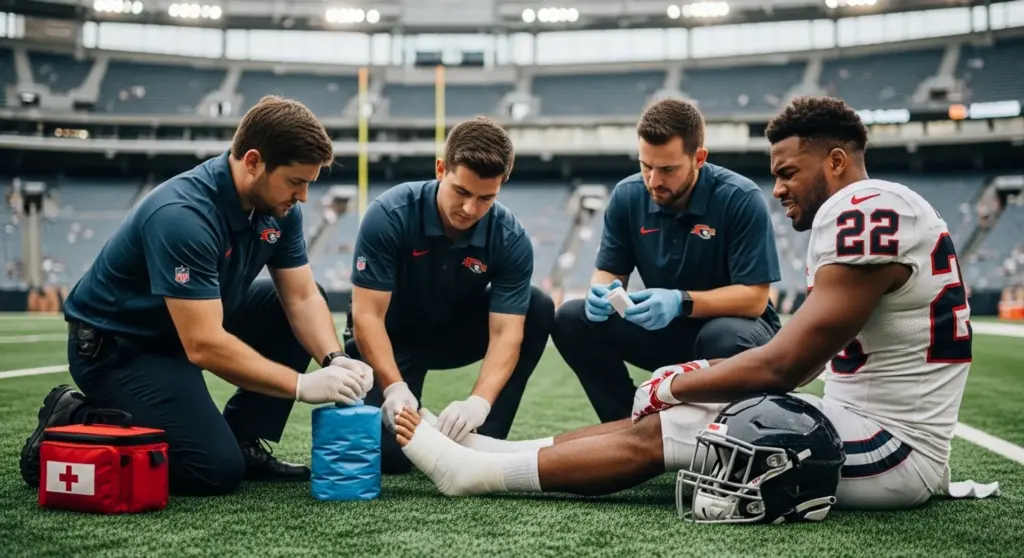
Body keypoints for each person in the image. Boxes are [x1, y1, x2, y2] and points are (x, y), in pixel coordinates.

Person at [388, 96, 972, 521]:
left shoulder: (864, 210)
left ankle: (477, 473)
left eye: (789, 172)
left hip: (893, 449)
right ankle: (502, 449)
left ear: (838, 162)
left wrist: (675, 386)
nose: (778, 189)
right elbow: (809, 355)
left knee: (695, 420)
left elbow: (783, 365)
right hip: (861, 420)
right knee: (677, 410)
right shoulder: (874, 209)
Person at [19, 96, 374, 496]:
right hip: (122, 346)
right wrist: (301, 385)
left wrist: (335, 359)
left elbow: (303, 297)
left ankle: (244, 437)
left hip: (193, 320)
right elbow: (203, 344)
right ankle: (72, 416)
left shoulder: (280, 210)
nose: (304, 197)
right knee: (213, 469)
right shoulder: (182, 214)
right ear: (253, 161)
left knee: (287, 306)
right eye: (295, 182)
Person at [344, 116, 555, 475]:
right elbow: (367, 317)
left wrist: (479, 402)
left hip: (452, 332)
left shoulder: (509, 237)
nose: (471, 209)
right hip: (390, 338)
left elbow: (506, 333)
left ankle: (483, 435)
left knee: (537, 306)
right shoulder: (389, 215)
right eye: (462, 191)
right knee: (390, 458)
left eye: (486, 198)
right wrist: (394, 386)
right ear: (441, 169)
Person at [552, 98, 783, 423]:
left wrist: (680, 301)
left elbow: (756, 300)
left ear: (699, 158)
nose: (653, 180)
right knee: (571, 319)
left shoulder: (740, 199)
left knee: (723, 335)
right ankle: (626, 425)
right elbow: (609, 272)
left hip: (736, 334)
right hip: (664, 327)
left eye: (668, 169)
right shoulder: (627, 195)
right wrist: (602, 293)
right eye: (646, 165)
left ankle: (719, 431)